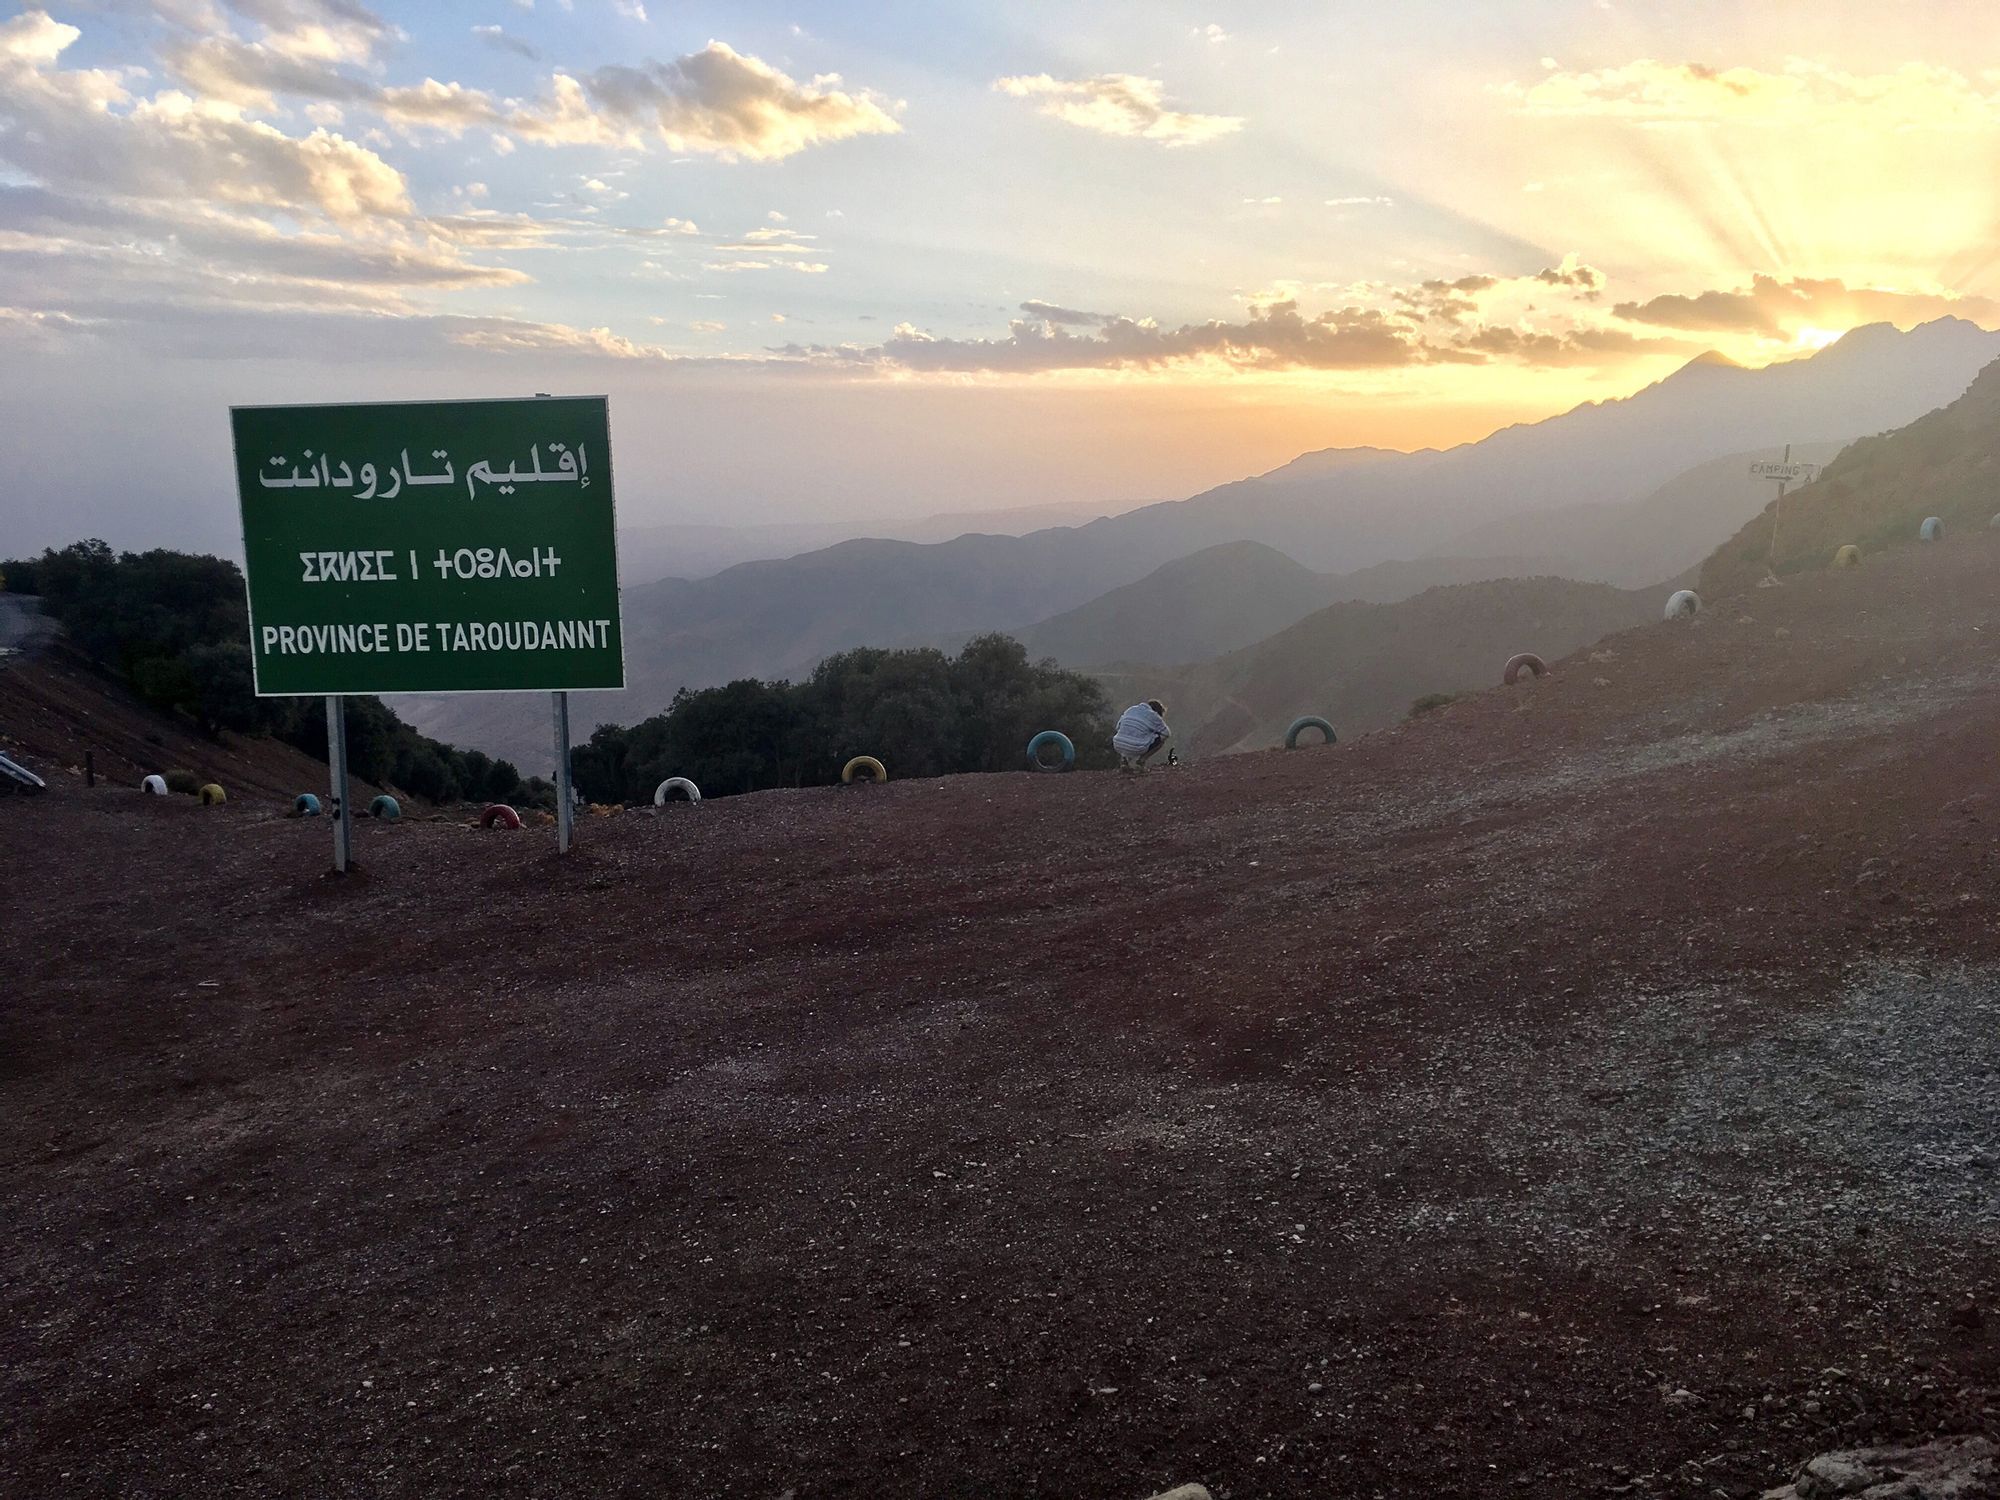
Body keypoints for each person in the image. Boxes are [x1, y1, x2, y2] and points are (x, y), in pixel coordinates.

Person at [1113, 699, 1172, 772]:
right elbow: (1167, 733)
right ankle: (1141, 762)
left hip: (1118, 744)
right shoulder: (1153, 715)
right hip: (1137, 747)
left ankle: (1124, 762)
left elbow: (1118, 727)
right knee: (1161, 739)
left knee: (1128, 734)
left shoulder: (1131, 709)